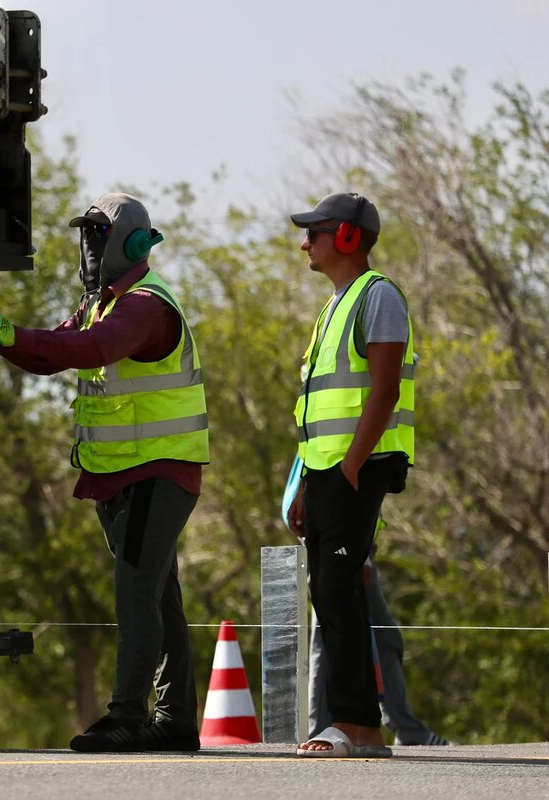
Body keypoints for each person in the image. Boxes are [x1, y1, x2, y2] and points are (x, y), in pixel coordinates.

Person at [0, 193, 209, 752]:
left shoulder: (145, 306)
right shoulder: (102, 303)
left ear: (131, 243)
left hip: (158, 471)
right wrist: (5, 338)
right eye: (86, 236)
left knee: (136, 592)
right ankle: (175, 721)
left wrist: (14, 335)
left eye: (98, 236)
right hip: (124, 474)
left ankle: (128, 715)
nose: (89, 248)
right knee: (159, 597)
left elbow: (90, 348)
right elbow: (54, 351)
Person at [286, 192, 416, 758]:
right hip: (327, 471)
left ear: (345, 237)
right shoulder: (332, 306)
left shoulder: (378, 296)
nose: (304, 242)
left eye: (313, 232)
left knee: (338, 590)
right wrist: (302, 483)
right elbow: (317, 407)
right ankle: (357, 726)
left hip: (357, 468)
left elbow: (384, 391)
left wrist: (351, 468)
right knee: (331, 590)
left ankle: (358, 726)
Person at [308, 545, 454, 747]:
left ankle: (394, 728)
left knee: (384, 638)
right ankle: (323, 729)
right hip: (338, 550)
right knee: (331, 639)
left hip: (357, 547)